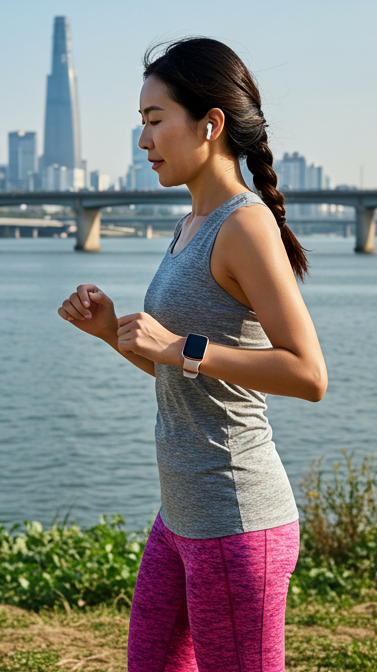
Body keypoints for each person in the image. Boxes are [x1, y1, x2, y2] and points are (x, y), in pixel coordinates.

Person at [57, 38, 327, 672]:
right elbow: (182, 372)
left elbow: (308, 373)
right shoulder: (190, 225)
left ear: (209, 125)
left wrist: (180, 346)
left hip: (236, 520)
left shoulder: (245, 225)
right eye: (141, 124)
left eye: (155, 121)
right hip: (180, 514)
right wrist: (110, 333)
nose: (144, 141)